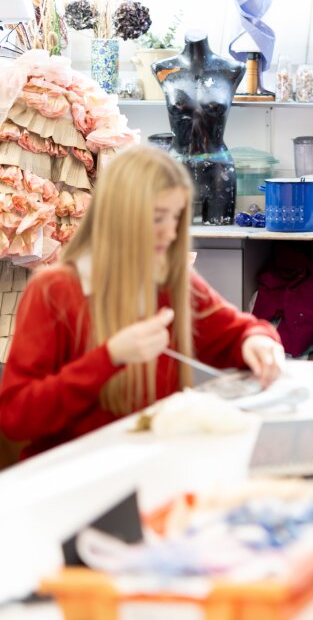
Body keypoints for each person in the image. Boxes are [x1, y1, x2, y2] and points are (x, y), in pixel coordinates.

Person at [0, 146, 283, 458]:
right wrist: (109, 357)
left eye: (177, 217)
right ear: (119, 217)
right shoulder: (54, 291)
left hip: (150, 463)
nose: (171, 233)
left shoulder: (171, 281)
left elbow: (236, 332)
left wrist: (258, 341)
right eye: (158, 218)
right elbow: (17, 417)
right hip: (73, 471)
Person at [154, 31, 245, 225]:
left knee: (221, 237)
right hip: (176, 166)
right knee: (172, 235)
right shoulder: (162, 68)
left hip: (218, 168)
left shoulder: (233, 69)